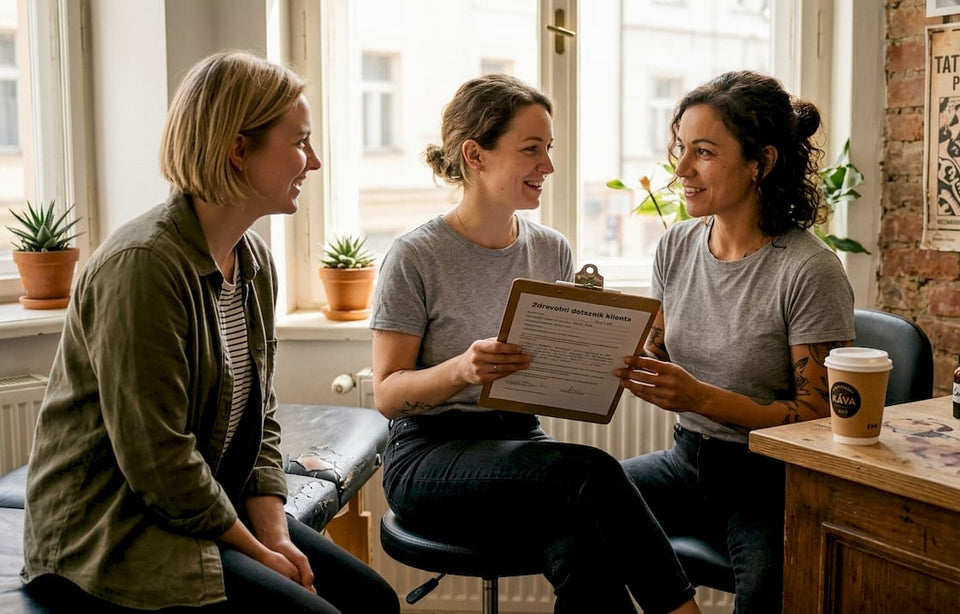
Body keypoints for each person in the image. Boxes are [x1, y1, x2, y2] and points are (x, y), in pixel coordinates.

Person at [20, 50, 398, 613]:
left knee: (373, 601)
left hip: (196, 510)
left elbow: (262, 419)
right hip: (110, 532)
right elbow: (159, 462)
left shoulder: (254, 263)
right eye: (299, 142)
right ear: (238, 149)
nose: (313, 161)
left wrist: (274, 535)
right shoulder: (143, 266)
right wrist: (260, 553)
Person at [370, 73, 701, 614]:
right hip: (430, 454)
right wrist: (463, 369)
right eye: (531, 150)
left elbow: (553, 373)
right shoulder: (415, 257)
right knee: (592, 472)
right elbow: (387, 394)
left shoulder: (551, 251)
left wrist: (601, 355)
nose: (548, 165)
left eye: (548, 149)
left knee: (582, 538)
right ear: (475, 155)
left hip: (518, 441)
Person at [616, 70, 856, 613]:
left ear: (761, 163)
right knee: (579, 508)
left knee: (767, 596)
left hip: (769, 482)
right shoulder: (675, 245)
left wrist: (699, 397)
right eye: (681, 149)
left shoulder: (808, 270)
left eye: (703, 152)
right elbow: (659, 348)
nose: (681, 170)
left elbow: (821, 418)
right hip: (684, 463)